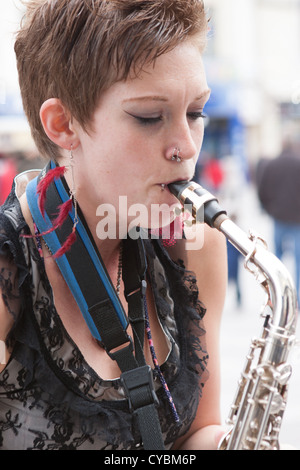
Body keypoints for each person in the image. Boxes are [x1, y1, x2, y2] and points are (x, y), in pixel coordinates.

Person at [0, 0, 227, 450]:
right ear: (64, 125)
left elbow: (200, 428)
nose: (186, 146)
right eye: (149, 116)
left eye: (196, 112)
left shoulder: (196, 244)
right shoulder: (10, 265)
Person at [257, 141, 300, 306]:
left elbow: (262, 189)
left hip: (279, 217)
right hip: (297, 219)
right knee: (298, 261)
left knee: (276, 262)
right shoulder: (298, 164)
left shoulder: (272, 165)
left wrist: (270, 209)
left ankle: (278, 295)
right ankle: (297, 298)